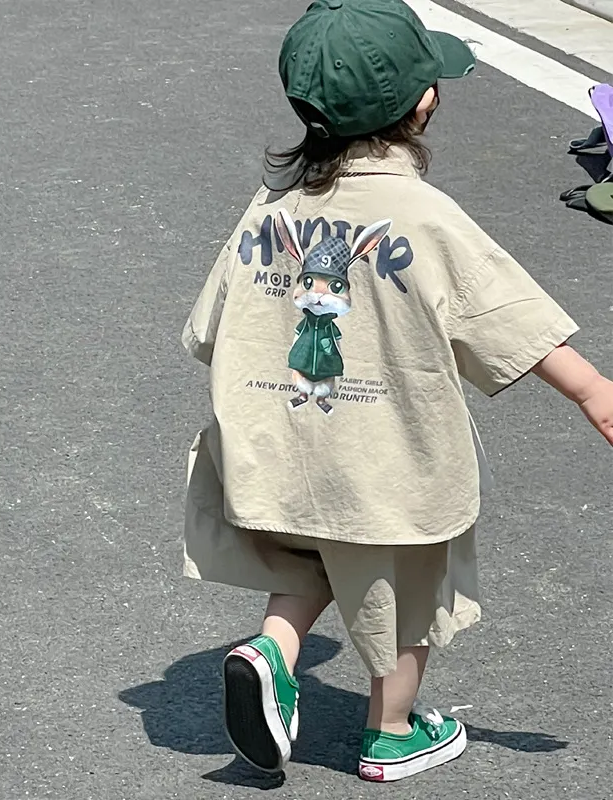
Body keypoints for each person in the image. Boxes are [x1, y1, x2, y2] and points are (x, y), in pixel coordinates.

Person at [180, 0, 613, 784]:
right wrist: (593, 393)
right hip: (382, 453)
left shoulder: (271, 208)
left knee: (308, 555)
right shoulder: (424, 215)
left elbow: (212, 326)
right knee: (400, 587)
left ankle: (270, 652)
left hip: (280, 443)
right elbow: (504, 315)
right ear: (424, 103)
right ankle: (392, 730)